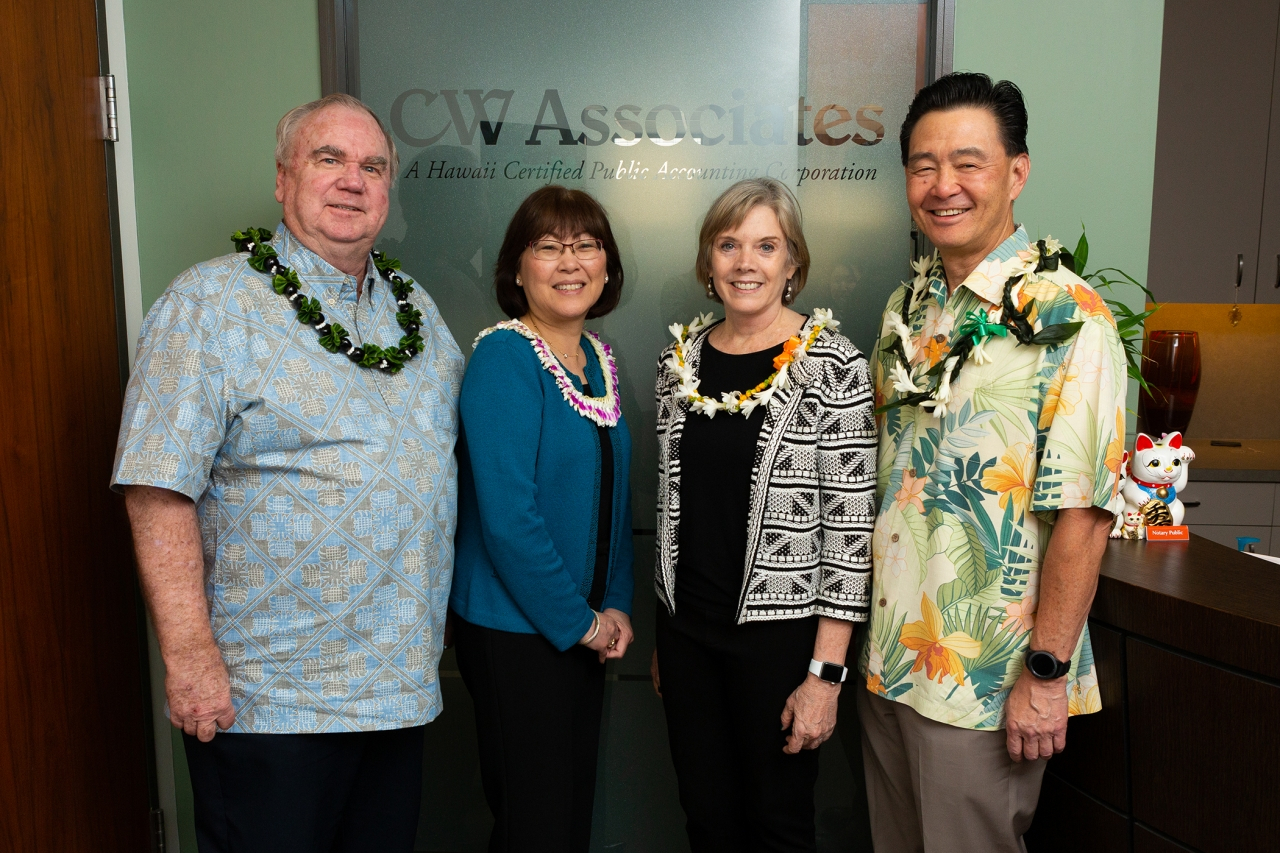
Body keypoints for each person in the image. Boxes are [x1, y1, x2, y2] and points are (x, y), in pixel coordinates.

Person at [111, 93, 463, 852]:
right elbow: (155, 487)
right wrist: (190, 657)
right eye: (327, 159)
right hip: (271, 700)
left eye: (372, 166)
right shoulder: (208, 303)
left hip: (397, 693)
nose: (352, 180)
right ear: (282, 179)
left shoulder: (418, 314)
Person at [859, 72, 1127, 853]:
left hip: (985, 685)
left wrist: (1044, 676)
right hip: (892, 663)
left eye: (968, 162)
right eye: (923, 165)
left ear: (1017, 171)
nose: (943, 185)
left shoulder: (1069, 317)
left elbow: (1084, 511)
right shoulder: (910, 310)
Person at [652, 177, 876, 853]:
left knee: (777, 826)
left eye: (766, 245)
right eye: (729, 244)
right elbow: (667, 504)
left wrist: (824, 676)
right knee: (707, 819)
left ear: (792, 265)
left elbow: (850, 532)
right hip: (687, 631)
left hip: (781, 643)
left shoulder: (833, 363)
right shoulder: (679, 362)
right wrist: (666, 635)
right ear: (709, 262)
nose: (745, 261)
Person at [449, 185, 635, 853]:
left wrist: (614, 604)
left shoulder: (596, 361)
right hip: (516, 633)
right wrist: (580, 620)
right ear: (517, 267)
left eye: (586, 245)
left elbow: (615, 497)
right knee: (536, 824)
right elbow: (507, 518)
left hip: (581, 629)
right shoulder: (504, 357)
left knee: (562, 818)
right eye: (548, 247)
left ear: (606, 266)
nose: (570, 262)